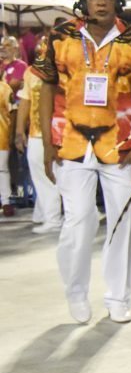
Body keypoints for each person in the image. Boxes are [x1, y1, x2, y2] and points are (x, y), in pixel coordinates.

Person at [35, 0, 131, 325]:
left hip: (121, 146)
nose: (102, 3)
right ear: (85, 1)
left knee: (123, 222)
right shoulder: (60, 36)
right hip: (70, 143)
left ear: (117, 1)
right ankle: (76, 293)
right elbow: (46, 87)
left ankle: (118, 297)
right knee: (78, 221)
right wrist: (48, 144)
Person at [16, 38, 63, 234]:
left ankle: (53, 219)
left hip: (60, 132)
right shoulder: (31, 71)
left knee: (56, 175)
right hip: (36, 132)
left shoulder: (65, 70)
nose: (41, 47)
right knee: (40, 174)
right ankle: (43, 212)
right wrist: (20, 131)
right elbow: (24, 102)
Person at [0, 76, 14, 216]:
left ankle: (6, 202)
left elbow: (12, 111)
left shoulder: (4, 88)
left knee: (2, 170)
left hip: (1, 136)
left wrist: (12, 134)